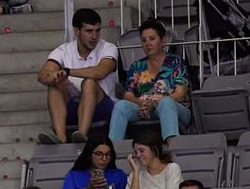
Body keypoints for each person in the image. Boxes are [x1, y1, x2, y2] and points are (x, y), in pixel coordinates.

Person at [38, 8, 119, 144]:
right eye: (89, 31)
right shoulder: (63, 50)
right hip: (73, 109)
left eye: (97, 31)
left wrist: (67, 72)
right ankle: (61, 137)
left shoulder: (109, 47)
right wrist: (55, 76)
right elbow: (42, 76)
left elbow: (100, 72)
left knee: (89, 82)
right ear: (77, 31)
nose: (94, 36)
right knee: (54, 84)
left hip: (103, 108)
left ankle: (81, 135)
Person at [110, 18, 192, 141]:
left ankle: (173, 148)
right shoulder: (137, 66)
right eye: (144, 40)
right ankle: (112, 151)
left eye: (152, 39)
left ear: (163, 40)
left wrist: (155, 103)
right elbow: (128, 95)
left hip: (174, 108)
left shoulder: (176, 62)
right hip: (144, 108)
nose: (148, 43)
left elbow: (180, 94)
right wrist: (142, 104)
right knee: (121, 105)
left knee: (166, 103)